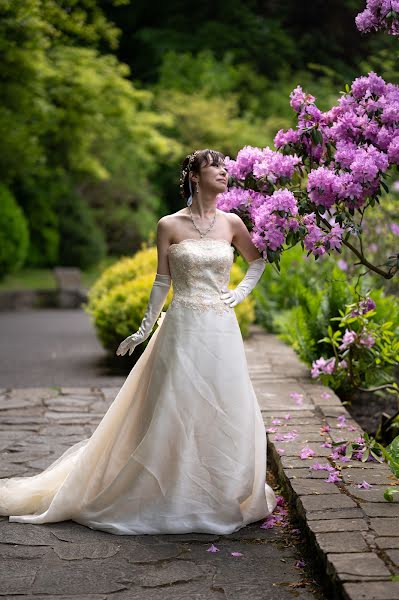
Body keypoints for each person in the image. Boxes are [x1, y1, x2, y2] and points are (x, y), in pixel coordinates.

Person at [0, 148, 278, 535]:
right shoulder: (168, 224)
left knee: (224, 404)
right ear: (195, 177)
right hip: (181, 326)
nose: (224, 172)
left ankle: (217, 491)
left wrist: (241, 292)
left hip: (221, 329)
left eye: (226, 167)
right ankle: (163, 492)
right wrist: (145, 329)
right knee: (173, 407)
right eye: (215, 166)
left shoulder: (232, 223)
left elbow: (258, 260)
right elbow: (162, 281)